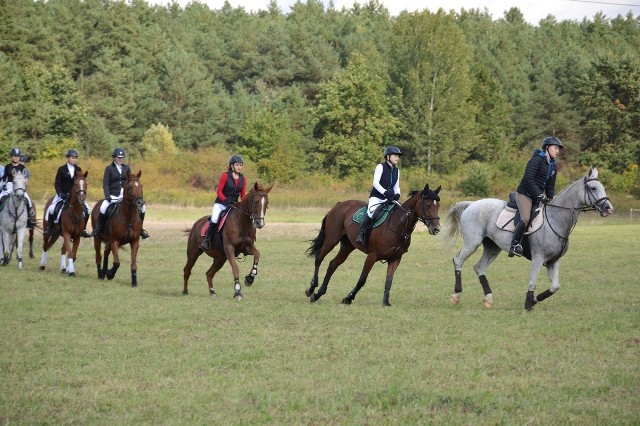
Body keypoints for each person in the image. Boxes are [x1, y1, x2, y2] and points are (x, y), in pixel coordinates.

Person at [509, 136, 563, 257]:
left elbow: (550, 186)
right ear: (547, 148)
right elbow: (528, 180)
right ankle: (514, 245)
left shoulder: (553, 166)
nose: (558, 151)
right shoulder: (536, 160)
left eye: (558, 148)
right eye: (555, 148)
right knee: (526, 218)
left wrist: (550, 198)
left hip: (536, 197)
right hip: (525, 194)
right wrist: (539, 195)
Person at [89, 147, 149, 239]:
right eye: (118, 157)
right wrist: (107, 195)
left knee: (143, 208)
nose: (120, 159)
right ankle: (98, 228)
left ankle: (140, 229)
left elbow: (131, 181)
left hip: (125, 195)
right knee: (103, 208)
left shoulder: (126, 168)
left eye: (122, 157)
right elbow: (106, 183)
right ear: (114, 158)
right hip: (113, 195)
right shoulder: (109, 168)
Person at [355, 146, 402, 246]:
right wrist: (385, 192)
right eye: (395, 156)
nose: (397, 158)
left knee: (400, 211)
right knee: (371, 213)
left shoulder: (397, 171)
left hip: (389, 199)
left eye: (398, 156)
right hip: (377, 197)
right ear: (388, 156)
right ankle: (361, 234)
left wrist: (397, 193)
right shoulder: (380, 167)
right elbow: (375, 183)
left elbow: (396, 186)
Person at [200, 155, 247, 251]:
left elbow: (242, 194)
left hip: (234, 205)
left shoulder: (243, 179)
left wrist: (244, 204)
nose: (239, 167)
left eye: (241, 165)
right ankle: (207, 241)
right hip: (221, 204)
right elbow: (219, 191)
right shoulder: (225, 176)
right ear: (232, 166)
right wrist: (225, 200)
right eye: (237, 165)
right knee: (214, 218)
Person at [43, 149, 91, 237]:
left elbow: (81, 182)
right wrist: (60, 193)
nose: (74, 159)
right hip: (63, 195)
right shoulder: (61, 169)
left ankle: (83, 229)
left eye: (75, 158)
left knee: (87, 210)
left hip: (75, 196)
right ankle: (49, 228)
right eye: (72, 158)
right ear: (68, 158)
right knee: (52, 209)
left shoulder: (78, 169)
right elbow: (57, 183)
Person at [0, 147, 36, 228]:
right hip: (9, 185)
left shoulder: (22, 167)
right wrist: (4, 185)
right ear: (12, 156)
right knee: (1, 197)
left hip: (19, 186)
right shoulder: (7, 166)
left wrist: (23, 185)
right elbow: (5, 177)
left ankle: (29, 217)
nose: (16, 158)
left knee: (27, 199)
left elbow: (23, 178)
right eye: (15, 156)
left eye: (18, 156)